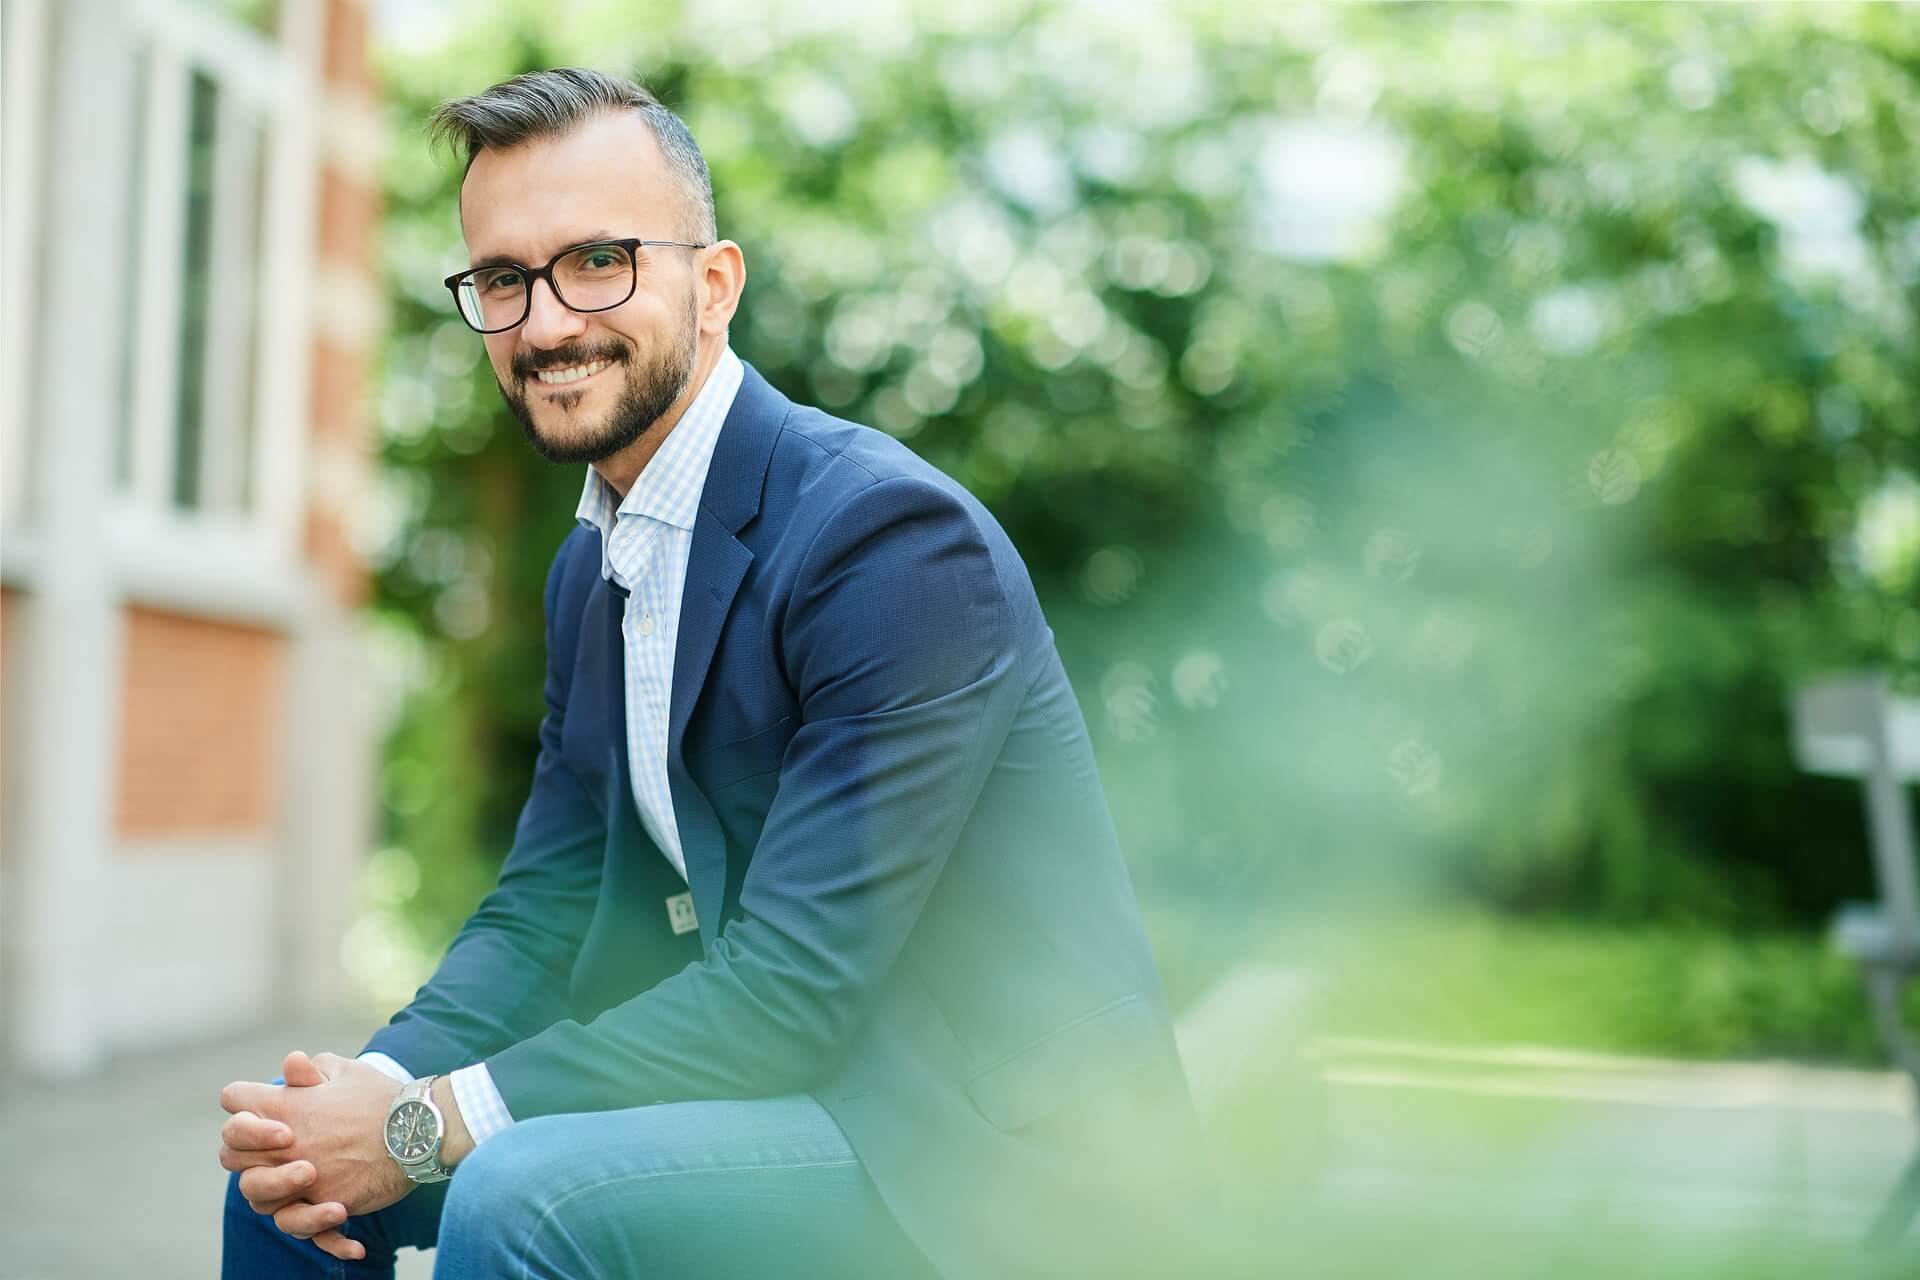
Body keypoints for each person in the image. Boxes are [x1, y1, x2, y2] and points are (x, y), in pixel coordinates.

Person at [218, 67, 1209, 1279]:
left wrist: (425, 1125)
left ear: (715, 283)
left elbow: (788, 987)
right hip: (789, 1097)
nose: (543, 323)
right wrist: (363, 1091)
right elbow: (543, 908)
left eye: (597, 261)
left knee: (523, 1195)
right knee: (286, 1176)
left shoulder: (887, 544)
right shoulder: (593, 569)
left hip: (983, 1149)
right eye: (502, 279)